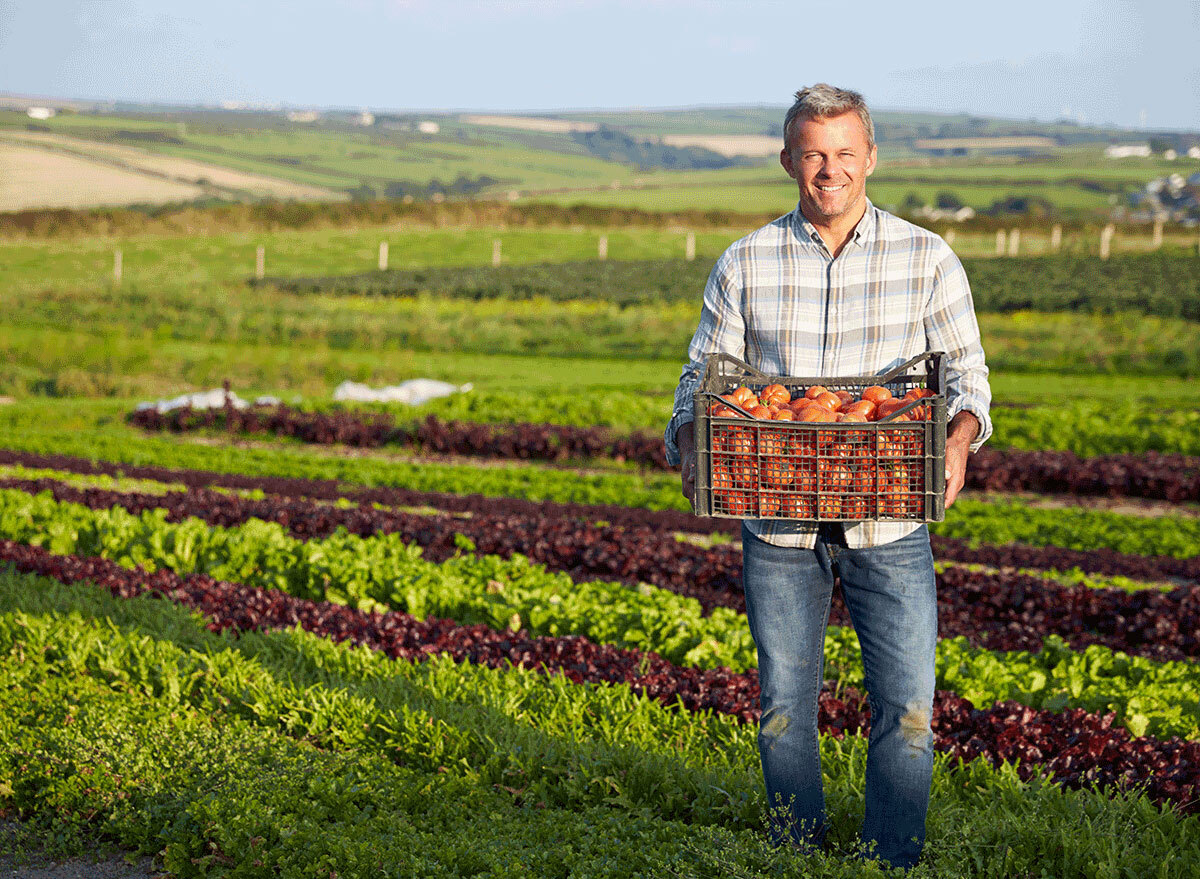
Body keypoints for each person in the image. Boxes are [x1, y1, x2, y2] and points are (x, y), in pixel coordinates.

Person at [663, 83, 991, 870]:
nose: (830, 169)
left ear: (871, 158)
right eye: (814, 152)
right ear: (787, 160)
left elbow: (969, 378)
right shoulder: (745, 261)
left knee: (909, 710)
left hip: (890, 518)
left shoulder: (927, 256)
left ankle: (894, 858)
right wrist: (688, 439)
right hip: (777, 517)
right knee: (782, 710)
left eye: (845, 152)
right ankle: (795, 853)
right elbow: (700, 377)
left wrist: (957, 437)